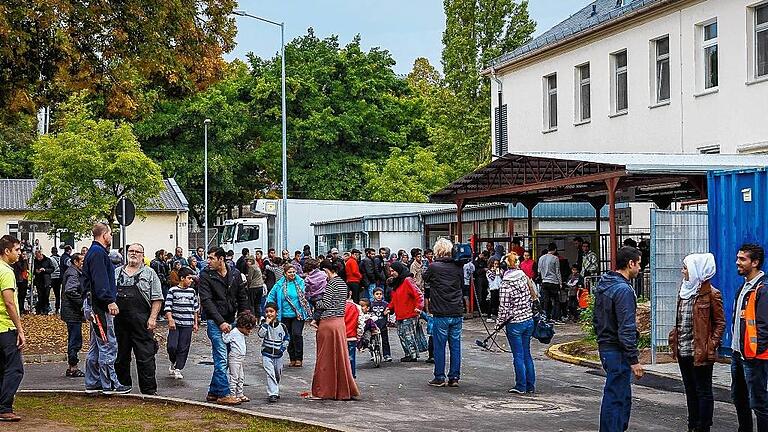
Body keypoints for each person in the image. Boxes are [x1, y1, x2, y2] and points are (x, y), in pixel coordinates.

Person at [667, 253, 724, 432]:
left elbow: (720, 323)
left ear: (696, 270)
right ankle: (692, 425)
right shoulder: (684, 290)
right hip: (683, 350)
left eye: (685, 268)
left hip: (700, 351)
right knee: (690, 390)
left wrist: (711, 345)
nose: (683, 271)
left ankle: (703, 426)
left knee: (703, 391)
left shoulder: (712, 294)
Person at [594, 246, 645, 432]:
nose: (640, 268)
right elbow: (627, 327)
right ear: (630, 263)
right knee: (617, 397)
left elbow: (596, 319)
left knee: (620, 395)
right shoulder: (623, 290)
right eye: (639, 264)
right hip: (617, 349)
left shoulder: (605, 284)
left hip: (607, 346)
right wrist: (634, 359)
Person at [198, 247, 250, 406]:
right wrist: (220, 321)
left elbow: (242, 297)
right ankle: (224, 394)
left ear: (221, 259)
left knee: (227, 358)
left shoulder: (235, 274)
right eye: (208, 258)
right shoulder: (206, 275)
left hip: (232, 320)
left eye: (211, 258)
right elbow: (206, 301)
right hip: (215, 322)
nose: (208, 261)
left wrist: (244, 320)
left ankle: (213, 392)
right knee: (221, 358)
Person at [83, 223, 130, 394]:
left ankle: (92, 382)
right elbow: (100, 280)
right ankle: (109, 384)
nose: (111, 236)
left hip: (94, 304)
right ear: (104, 235)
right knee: (107, 344)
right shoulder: (98, 254)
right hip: (99, 306)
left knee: (96, 345)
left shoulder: (95, 252)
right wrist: (109, 301)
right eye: (110, 233)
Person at [114, 243, 163, 395]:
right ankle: (123, 387)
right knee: (120, 357)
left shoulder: (150, 273)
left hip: (142, 321)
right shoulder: (116, 272)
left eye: (137, 251)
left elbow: (157, 299)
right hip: (119, 322)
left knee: (145, 357)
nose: (134, 254)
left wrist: (153, 318)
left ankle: (149, 391)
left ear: (143, 254)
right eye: (131, 251)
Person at [730, 243, 768, 432]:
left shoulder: (763, 289)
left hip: (754, 358)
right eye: (738, 258)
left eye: (742, 259)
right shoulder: (744, 287)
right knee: (739, 398)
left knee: (759, 402)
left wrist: (755, 352)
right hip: (738, 354)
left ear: (755, 262)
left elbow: (764, 326)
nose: (737, 262)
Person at [310, 259, 360, 400]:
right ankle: (343, 389)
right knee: (340, 358)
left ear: (326, 270)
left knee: (325, 359)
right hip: (339, 322)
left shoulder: (331, 283)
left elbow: (325, 304)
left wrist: (314, 300)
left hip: (328, 323)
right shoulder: (343, 283)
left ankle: (325, 390)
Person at [423, 238, 464, 387]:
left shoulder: (434, 267)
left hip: (441, 311)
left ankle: (439, 376)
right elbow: (462, 283)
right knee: (455, 345)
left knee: (440, 345)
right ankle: (454, 377)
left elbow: (424, 278)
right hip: (456, 310)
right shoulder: (458, 266)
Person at [498, 251, 537, 395]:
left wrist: (498, 324)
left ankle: (521, 385)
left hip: (514, 323)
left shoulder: (506, 283)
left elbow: (504, 307)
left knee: (518, 355)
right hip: (528, 320)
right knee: (527, 353)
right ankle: (530, 385)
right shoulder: (524, 278)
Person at [266, 264, 312, 367]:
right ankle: (292, 358)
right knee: (288, 337)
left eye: (294, 272)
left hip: (298, 314)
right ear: (285, 274)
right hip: (284, 315)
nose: (292, 274)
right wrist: (270, 308)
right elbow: (271, 296)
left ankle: (299, 358)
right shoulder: (279, 284)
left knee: (297, 334)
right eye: (290, 272)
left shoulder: (301, 283)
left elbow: (308, 294)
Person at [0, 235, 25, 422]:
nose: (20, 253)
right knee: (15, 368)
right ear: (7, 251)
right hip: (6, 327)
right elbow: (9, 302)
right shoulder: (6, 272)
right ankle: (5, 407)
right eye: (17, 249)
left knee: (2, 368)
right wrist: (20, 329)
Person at [164, 266, 199, 380]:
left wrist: (195, 323)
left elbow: (195, 308)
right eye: (189, 278)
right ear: (182, 278)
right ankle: (173, 361)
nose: (191, 280)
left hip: (187, 323)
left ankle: (178, 368)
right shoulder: (172, 290)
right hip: (175, 323)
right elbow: (168, 306)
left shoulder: (192, 292)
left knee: (183, 347)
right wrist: (170, 319)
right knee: (172, 346)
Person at [386, 261, 424, 363]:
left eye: (393, 271)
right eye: (390, 271)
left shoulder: (407, 281)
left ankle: (413, 355)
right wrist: (389, 308)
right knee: (402, 334)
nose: (391, 273)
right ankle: (408, 354)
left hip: (410, 314)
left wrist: (419, 307)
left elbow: (419, 294)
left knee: (408, 335)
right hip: (400, 314)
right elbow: (394, 299)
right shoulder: (397, 283)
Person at [222, 312, 258, 404]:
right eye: (248, 329)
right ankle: (233, 395)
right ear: (242, 326)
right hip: (234, 357)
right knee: (234, 377)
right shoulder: (234, 332)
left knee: (241, 377)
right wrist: (224, 333)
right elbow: (226, 340)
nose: (249, 331)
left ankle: (240, 393)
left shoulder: (240, 333)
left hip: (240, 358)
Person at [60, 252, 86, 378]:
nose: (84, 264)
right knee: (75, 340)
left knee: (74, 338)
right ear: (75, 262)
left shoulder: (74, 272)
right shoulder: (73, 273)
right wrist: (82, 303)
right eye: (82, 261)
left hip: (72, 311)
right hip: (72, 312)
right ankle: (73, 367)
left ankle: (72, 366)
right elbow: (70, 290)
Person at [259, 302, 290, 403]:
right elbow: (261, 334)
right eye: (267, 312)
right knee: (270, 373)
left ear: (276, 313)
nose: (269, 314)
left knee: (277, 374)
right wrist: (266, 324)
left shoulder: (282, 326)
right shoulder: (264, 325)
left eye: (271, 311)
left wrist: (282, 348)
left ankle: (275, 389)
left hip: (278, 355)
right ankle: (273, 393)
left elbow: (287, 338)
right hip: (267, 354)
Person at [538, 243, 562, 323]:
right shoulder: (555, 258)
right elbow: (557, 271)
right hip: (554, 281)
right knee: (556, 301)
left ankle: (545, 316)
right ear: (555, 249)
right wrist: (560, 282)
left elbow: (539, 270)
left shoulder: (541, 258)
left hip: (544, 281)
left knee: (546, 300)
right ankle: (556, 317)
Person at [370, 287, 392, 362]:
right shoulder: (371, 304)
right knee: (372, 340)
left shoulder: (385, 304)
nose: (379, 296)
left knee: (385, 340)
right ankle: (373, 354)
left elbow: (390, 311)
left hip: (383, 324)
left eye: (380, 294)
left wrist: (388, 312)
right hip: (374, 326)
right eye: (377, 294)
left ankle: (386, 354)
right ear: (373, 295)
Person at [344, 292, 362, 378]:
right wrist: (359, 336)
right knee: (351, 357)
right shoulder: (356, 307)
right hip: (352, 336)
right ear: (350, 293)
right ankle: (351, 375)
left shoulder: (337, 307)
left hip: (341, 336)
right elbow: (360, 323)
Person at [32, 248, 55, 315]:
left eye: (39, 257)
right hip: (38, 280)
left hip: (46, 281)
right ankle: (40, 309)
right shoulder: (35, 261)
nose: (38, 258)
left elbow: (52, 269)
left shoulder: (48, 260)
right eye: (37, 257)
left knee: (46, 296)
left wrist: (45, 270)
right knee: (40, 296)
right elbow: (33, 270)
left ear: (41, 255)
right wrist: (36, 271)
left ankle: (46, 309)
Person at [49, 246, 62, 314]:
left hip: (53, 277)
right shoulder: (60, 258)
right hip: (59, 277)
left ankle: (49, 307)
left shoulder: (50, 259)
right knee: (57, 294)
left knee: (48, 292)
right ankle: (57, 307)